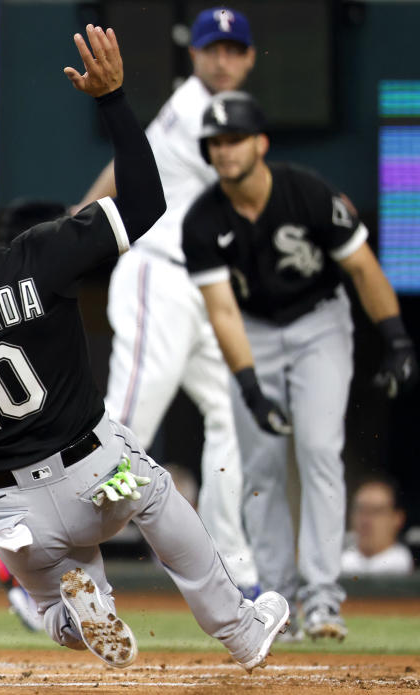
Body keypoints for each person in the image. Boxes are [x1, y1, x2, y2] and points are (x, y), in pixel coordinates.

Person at [0, 25, 289, 672]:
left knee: (50, 610)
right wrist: (114, 99)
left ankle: (75, 607)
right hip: (98, 472)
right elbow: (147, 201)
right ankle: (239, 629)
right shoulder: (41, 252)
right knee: (156, 498)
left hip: (10, 507)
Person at [182, 91, 419, 640]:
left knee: (317, 449)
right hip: (254, 332)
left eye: (235, 138)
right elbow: (222, 310)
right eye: (215, 143)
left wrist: (397, 338)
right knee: (260, 469)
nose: (225, 150)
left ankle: (323, 599)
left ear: (260, 142)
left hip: (319, 324)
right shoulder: (202, 219)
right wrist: (248, 386)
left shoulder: (307, 193)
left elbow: (362, 267)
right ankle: (279, 600)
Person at [72, 6, 260, 595]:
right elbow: (250, 184)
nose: (223, 60)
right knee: (127, 427)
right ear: (195, 55)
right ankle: (52, 556)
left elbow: (122, 164)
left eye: (233, 50)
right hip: (159, 273)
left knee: (234, 413)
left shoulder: (190, 109)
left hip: (200, 284)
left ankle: (233, 566)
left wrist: (72, 222)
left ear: (249, 57)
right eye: (213, 49)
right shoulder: (198, 108)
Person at [341, 477, 413, 577]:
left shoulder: (407, 568)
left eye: (376, 511)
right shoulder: (338, 565)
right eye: (360, 510)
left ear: (397, 519)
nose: (366, 520)